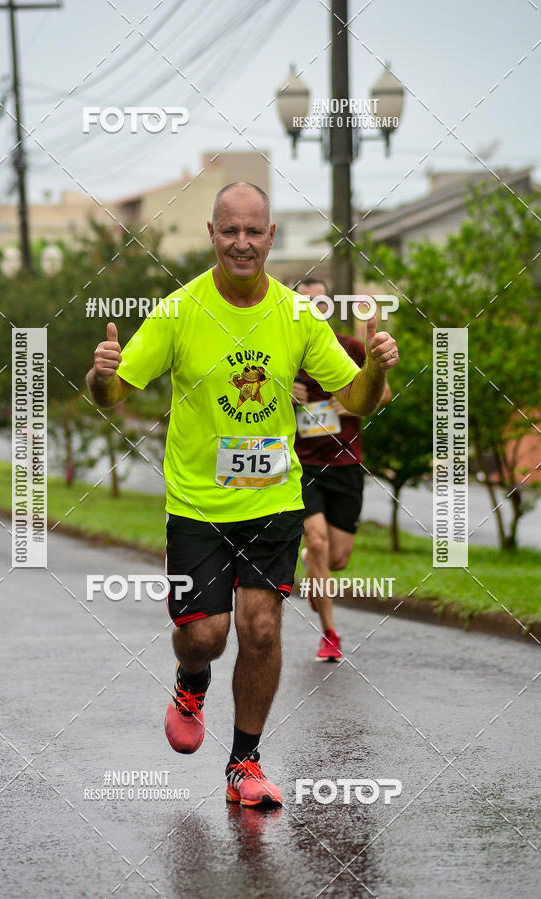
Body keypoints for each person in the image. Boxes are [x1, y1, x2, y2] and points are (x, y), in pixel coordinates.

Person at [86, 183, 399, 808]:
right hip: (196, 505)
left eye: (254, 231)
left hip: (273, 500)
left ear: (271, 237)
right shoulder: (179, 311)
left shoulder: (297, 316)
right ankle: (191, 679)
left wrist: (376, 369)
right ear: (212, 234)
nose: (241, 242)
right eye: (229, 230)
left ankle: (244, 764)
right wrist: (101, 375)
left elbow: (357, 401)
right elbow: (113, 395)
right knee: (206, 635)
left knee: (260, 631)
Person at [292, 279, 392, 662]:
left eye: (319, 301)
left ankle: (312, 566)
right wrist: (285, 392)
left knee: (337, 560)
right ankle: (330, 633)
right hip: (302, 465)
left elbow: (383, 394)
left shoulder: (349, 347)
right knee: (317, 541)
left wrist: (353, 403)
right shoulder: (285, 350)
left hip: (346, 463)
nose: (313, 307)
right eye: (304, 302)